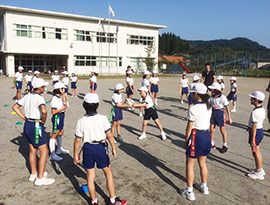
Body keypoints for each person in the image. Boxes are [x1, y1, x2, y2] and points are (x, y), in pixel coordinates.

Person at [73, 93, 127, 205]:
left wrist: (75, 155)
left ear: (84, 105)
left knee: (90, 176)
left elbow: (77, 140)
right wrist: (113, 147)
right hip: (100, 147)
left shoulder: (80, 121)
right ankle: (113, 200)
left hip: (88, 148)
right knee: (108, 173)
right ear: (97, 105)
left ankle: (94, 201)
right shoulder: (102, 118)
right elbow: (110, 135)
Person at [12, 78, 55, 186]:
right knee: (44, 151)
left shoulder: (27, 96)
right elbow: (44, 110)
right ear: (40, 88)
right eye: (44, 87)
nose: (45, 89)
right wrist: (43, 120)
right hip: (36, 125)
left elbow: (15, 106)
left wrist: (25, 118)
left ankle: (34, 173)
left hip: (28, 125)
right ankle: (40, 178)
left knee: (32, 150)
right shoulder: (39, 98)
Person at [180, 83, 212, 201]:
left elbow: (189, 127)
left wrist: (186, 140)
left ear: (196, 94)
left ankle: (189, 191)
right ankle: (204, 186)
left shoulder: (193, 108)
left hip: (196, 135)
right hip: (206, 135)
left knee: (190, 164)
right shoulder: (209, 106)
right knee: (202, 163)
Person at [208, 82, 233, 153]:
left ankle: (225, 145)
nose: (210, 90)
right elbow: (209, 106)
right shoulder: (211, 97)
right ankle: (211, 143)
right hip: (213, 113)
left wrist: (229, 118)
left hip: (220, 113)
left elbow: (227, 108)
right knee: (212, 129)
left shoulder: (222, 97)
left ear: (216, 90)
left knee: (222, 130)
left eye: (212, 89)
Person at [247, 91, 266, 180]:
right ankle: (259, 168)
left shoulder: (255, 112)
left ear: (256, 100)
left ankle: (259, 172)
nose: (250, 99)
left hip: (255, 132)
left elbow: (254, 126)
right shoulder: (262, 109)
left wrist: (252, 139)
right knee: (257, 151)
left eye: (252, 98)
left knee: (255, 151)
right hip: (260, 130)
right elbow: (263, 121)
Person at [49, 82, 69, 161]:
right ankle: (52, 154)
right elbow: (53, 112)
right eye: (63, 88)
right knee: (54, 134)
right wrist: (62, 108)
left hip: (61, 116)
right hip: (57, 117)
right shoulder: (55, 99)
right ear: (59, 89)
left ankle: (59, 149)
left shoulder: (58, 98)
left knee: (61, 132)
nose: (64, 90)